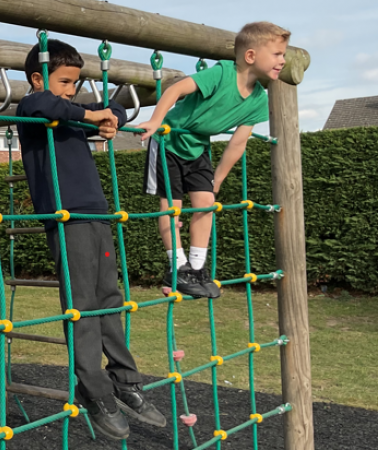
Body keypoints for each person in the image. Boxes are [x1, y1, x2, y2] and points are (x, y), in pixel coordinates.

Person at [16, 39, 167, 441]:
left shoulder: (73, 114)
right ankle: (94, 390)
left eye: (76, 82)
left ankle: (126, 381)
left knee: (109, 300)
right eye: (64, 81)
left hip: (96, 212)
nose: (71, 90)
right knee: (82, 306)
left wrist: (110, 117)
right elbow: (45, 105)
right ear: (37, 79)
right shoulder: (33, 107)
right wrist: (91, 113)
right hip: (66, 217)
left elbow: (114, 108)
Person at [138, 22, 290, 298]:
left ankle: (196, 268)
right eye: (277, 54)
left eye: (284, 54)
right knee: (172, 208)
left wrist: (216, 180)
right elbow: (175, 90)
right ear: (251, 56)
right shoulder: (222, 74)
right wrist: (156, 120)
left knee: (206, 203)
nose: (283, 60)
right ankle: (177, 267)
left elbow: (238, 143)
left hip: (198, 147)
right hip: (169, 140)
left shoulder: (258, 100)